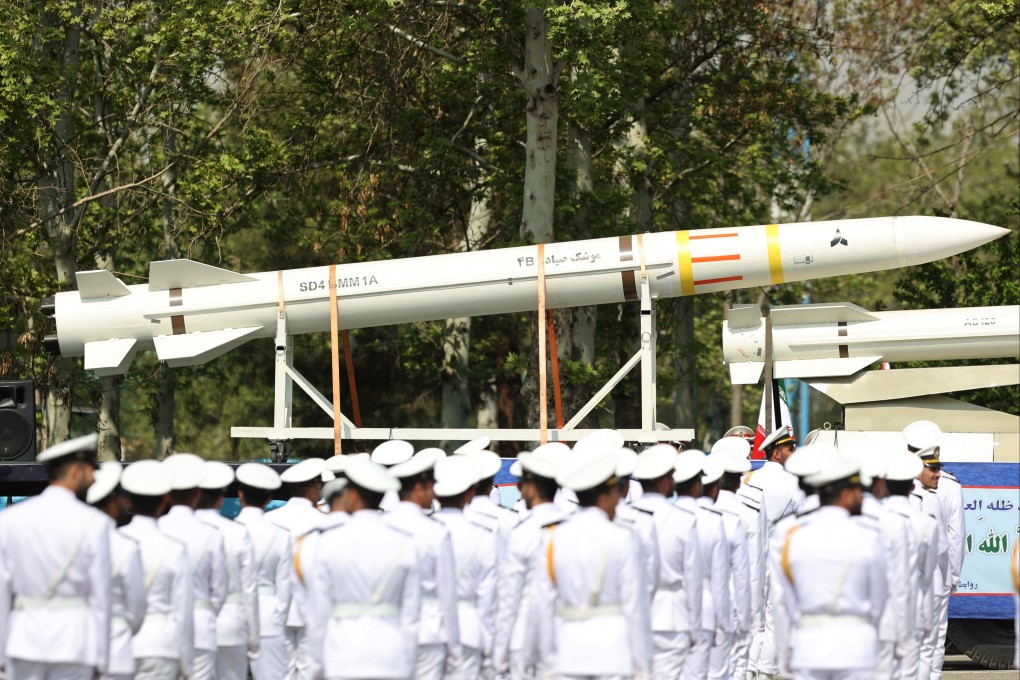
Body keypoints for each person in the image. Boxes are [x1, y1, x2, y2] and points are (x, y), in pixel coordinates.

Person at [0, 434, 113, 680]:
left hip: (23, 641)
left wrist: (1, 653)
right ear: (76, 471)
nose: (94, 478)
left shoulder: (10, 520)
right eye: (90, 471)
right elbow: (102, 596)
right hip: (75, 643)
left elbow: (2, 590)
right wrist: (103, 658)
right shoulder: (96, 523)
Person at [772, 456, 887, 680]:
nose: (861, 496)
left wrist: (785, 653)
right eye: (856, 491)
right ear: (845, 495)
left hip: (808, 648)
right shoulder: (867, 536)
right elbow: (880, 601)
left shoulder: (793, 537)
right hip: (856, 648)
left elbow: (783, 603)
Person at [306, 458, 421, 680]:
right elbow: (411, 616)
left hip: (342, 656)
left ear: (352, 494)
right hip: (392, 657)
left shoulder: (327, 542)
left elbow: (318, 614)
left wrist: (316, 667)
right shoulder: (404, 542)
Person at [543, 447, 653, 678]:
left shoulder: (554, 536)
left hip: (568, 653)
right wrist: (643, 665)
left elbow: (545, 602)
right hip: (613, 654)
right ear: (603, 496)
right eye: (615, 492)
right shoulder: (623, 538)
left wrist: (547, 659)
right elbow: (635, 607)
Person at [493, 446, 571, 679]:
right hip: (562, 631)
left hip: (524, 632)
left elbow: (509, 596)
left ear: (531, 487)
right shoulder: (572, 526)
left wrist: (499, 650)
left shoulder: (521, 531)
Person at [385, 450, 461, 680]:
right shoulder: (435, 531)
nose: (434, 493)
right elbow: (446, 593)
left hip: (391, 629)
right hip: (428, 631)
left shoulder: (383, 526)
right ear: (419, 489)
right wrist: (454, 646)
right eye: (430, 487)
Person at [631, 444, 703, 679]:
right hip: (672, 616)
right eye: (671, 476)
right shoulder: (683, 520)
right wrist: (695, 626)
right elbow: (693, 581)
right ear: (663, 481)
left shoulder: (625, 517)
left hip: (635, 612)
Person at [118, 459, 195, 680]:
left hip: (120, 644)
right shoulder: (174, 549)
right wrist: (187, 663)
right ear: (165, 501)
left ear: (128, 501)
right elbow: (182, 612)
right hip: (161, 645)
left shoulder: (114, 541)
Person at [158, 453, 228, 680]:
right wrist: (205, 610)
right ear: (197, 494)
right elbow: (219, 590)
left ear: (167, 494)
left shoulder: (157, 529)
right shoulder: (211, 534)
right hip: (201, 627)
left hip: (162, 629)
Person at [904, 420, 963, 680]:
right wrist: (952, 576)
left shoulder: (896, 483)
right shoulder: (950, 485)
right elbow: (955, 537)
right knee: (935, 641)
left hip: (905, 578)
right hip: (937, 577)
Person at [432, 455, 498, 679]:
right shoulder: (482, 536)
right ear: (470, 494)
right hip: (468, 629)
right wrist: (489, 646)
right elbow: (487, 597)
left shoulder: (421, 532)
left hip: (427, 628)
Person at [196, 461, 260, 680]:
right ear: (220, 497)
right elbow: (249, 590)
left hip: (191, 626)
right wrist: (253, 637)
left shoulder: (181, 530)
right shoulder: (238, 532)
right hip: (233, 624)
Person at [857, 449, 915, 680]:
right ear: (881, 483)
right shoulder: (893, 522)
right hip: (885, 624)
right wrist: (904, 633)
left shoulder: (843, 518)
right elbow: (900, 583)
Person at [709, 437, 765, 679]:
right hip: (735, 602)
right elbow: (753, 567)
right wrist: (753, 616)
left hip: (701, 603)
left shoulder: (697, 508)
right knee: (737, 666)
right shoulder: (752, 505)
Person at [267, 457, 328, 680]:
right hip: (312, 608)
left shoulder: (270, 519)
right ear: (313, 489)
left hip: (274, 608)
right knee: (308, 672)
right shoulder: (324, 522)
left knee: (279, 672)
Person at [86, 462, 146, 680]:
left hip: (76, 647)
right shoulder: (124, 545)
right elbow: (137, 608)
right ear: (111, 503)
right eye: (122, 499)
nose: (126, 505)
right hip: (116, 648)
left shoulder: (72, 540)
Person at [674, 449, 730, 680]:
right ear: (698, 484)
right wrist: (724, 622)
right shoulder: (713, 520)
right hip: (705, 608)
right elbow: (720, 578)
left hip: (666, 611)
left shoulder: (662, 516)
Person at [235, 462, 293, 680]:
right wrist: (278, 617)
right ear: (269, 498)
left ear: (240, 495)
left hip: (235, 615)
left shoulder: (228, 531)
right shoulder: (281, 534)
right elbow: (285, 587)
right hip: (270, 618)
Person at [880, 450, 934, 680]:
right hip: (913, 610)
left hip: (878, 614)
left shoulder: (872, 518)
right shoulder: (924, 523)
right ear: (912, 486)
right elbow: (928, 575)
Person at [700, 455, 751, 680]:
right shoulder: (735, 517)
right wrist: (747, 618)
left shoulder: (670, 518)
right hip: (722, 606)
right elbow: (744, 572)